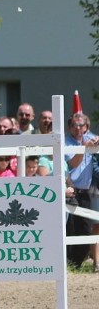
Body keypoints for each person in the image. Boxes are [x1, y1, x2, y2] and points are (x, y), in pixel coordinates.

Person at [64, 112, 97, 268]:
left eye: (80, 125)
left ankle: (75, 263)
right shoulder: (66, 143)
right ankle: (71, 263)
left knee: (87, 228)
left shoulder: (92, 138)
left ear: (86, 127)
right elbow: (74, 164)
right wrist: (84, 148)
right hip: (71, 190)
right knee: (72, 228)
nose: (77, 128)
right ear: (69, 127)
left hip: (89, 191)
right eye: (74, 125)